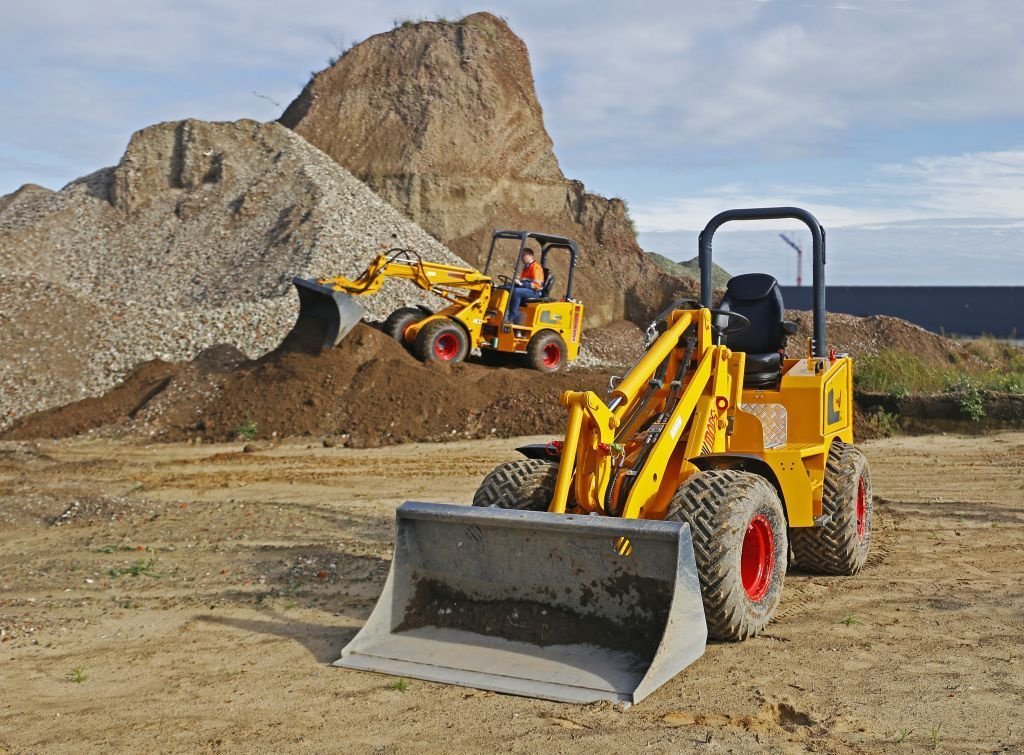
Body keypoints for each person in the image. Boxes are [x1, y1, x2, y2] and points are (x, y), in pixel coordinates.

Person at [505, 249, 545, 324]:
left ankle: (511, 318)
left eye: (523, 255)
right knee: (506, 288)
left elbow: (537, 285)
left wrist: (522, 284)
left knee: (516, 292)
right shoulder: (526, 268)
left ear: (530, 256)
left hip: (535, 292)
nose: (522, 258)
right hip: (527, 289)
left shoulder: (536, 267)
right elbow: (524, 280)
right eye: (521, 255)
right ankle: (503, 314)